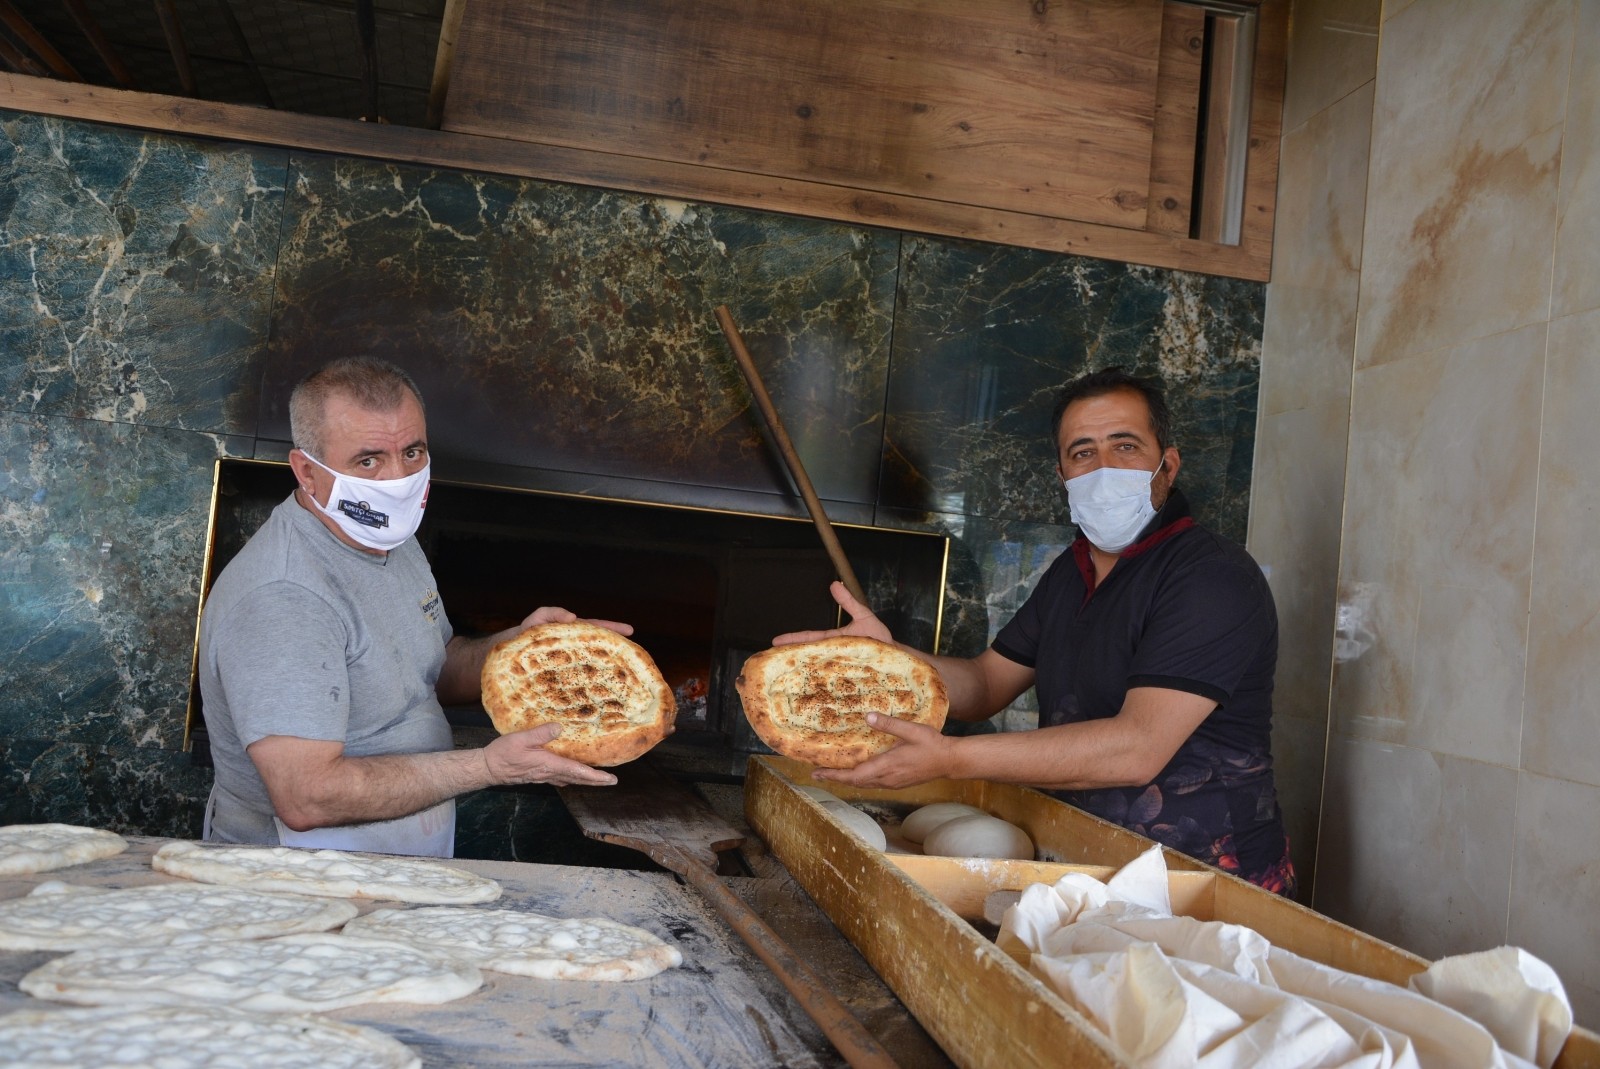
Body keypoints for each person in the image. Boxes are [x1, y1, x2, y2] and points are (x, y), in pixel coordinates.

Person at [778, 368, 1295, 896]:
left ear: (1169, 464)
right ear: (1063, 474)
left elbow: (1136, 748)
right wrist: (887, 663)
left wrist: (953, 759)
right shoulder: (1072, 574)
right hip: (1086, 867)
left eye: (1126, 446)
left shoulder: (1211, 576)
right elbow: (984, 685)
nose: (1105, 468)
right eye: (1083, 452)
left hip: (1204, 885)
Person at [197, 356, 627, 857]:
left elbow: (433, 668)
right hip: (296, 874)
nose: (397, 479)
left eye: (412, 451)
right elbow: (306, 797)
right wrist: (488, 768)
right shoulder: (285, 596)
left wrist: (519, 648)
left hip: (392, 853)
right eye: (368, 460)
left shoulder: (386, 538)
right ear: (307, 472)